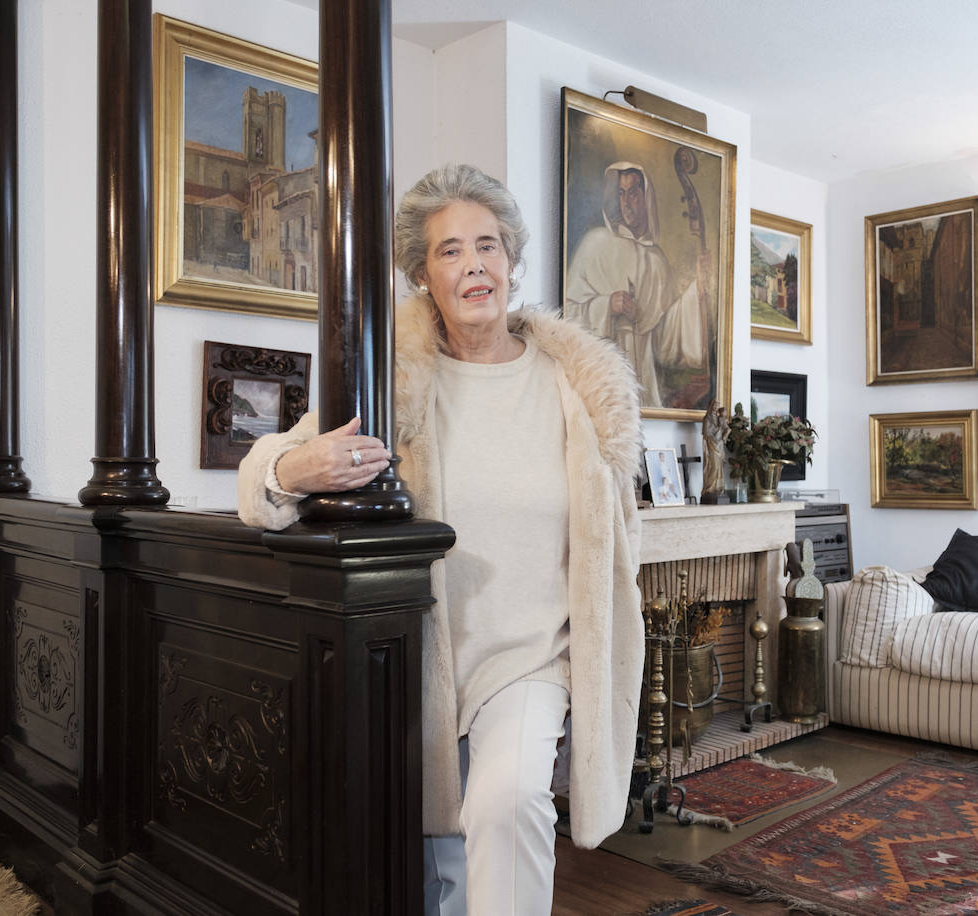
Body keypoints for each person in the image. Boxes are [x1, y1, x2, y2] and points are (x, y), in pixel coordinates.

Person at [237, 164, 644, 916]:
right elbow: (258, 485)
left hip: (530, 659)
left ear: (513, 261)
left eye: (487, 245)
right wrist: (299, 466)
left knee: (507, 803)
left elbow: (617, 540)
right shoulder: (390, 379)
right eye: (449, 251)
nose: (474, 265)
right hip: (417, 660)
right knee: (440, 866)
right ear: (423, 275)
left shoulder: (577, 387)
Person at [564, 161, 709, 409]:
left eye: (633, 193)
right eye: (621, 193)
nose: (626, 201)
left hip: (645, 383)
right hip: (599, 382)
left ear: (647, 198)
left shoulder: (657, 261)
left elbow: (667, 336)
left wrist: (698, 287)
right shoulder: (595, 244)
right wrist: (606, 305)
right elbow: (565, 315)